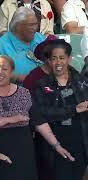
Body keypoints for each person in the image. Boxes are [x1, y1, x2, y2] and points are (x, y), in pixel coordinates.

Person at [32, 39, 88, 180]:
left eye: (62, 58)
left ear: (69, 59)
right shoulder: (41, 85)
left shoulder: (81, 81)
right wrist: (73, 109)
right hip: (55, 144)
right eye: (54, 58)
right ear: (49, 61)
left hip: (81, 142)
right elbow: (43, 113)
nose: (58, 63)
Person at [0, 7, 45, 82]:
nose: (35, 28)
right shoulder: (0, 46)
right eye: (31, 25)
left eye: (36, 24)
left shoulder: (40, 38)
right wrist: (18, 77)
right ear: (18, 26)